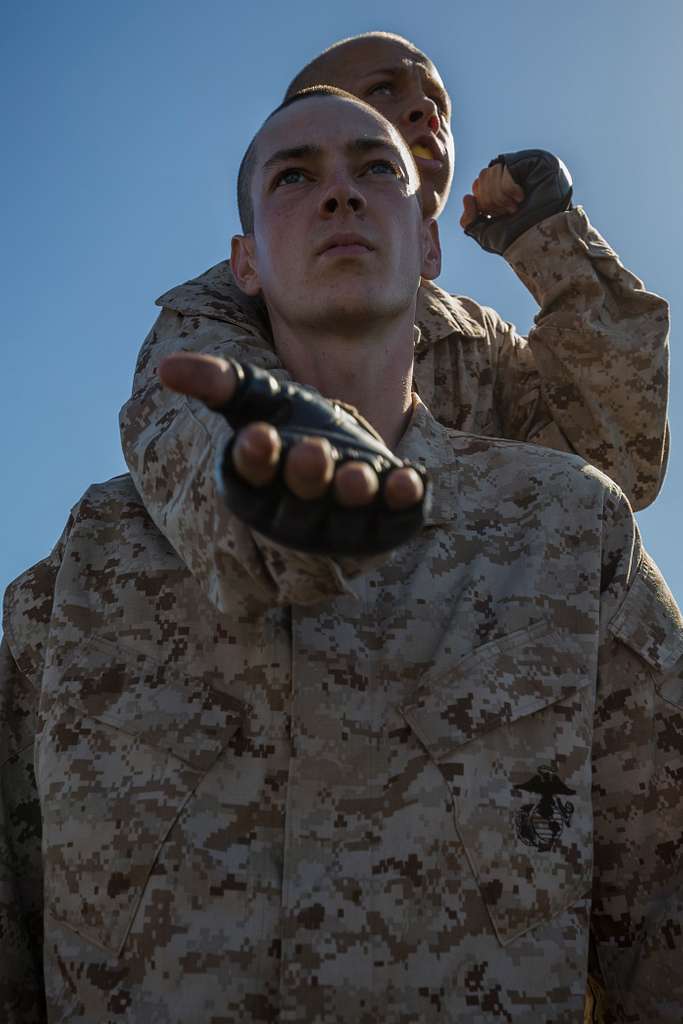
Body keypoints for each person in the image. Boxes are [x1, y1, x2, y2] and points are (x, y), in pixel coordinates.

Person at [1, 86, 681, 1024]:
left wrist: (549, 232)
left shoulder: (566, 529)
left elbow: (616, 441)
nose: (341, 193)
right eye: (296, 174)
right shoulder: (94, 570)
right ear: (239, 263)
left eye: (377, 167)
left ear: (432, 243)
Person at [120, 32, 671, 614]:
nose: (426, 111)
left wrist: (549, 236)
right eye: (384, 89)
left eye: (439, 103)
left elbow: (617, 459)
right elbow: (222, 456)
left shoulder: (474, 337)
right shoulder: (224, 303)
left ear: (430, 246)